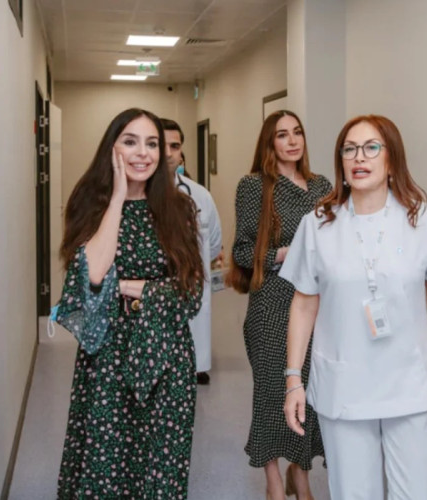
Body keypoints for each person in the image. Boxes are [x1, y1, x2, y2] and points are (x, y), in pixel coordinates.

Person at [281, 114, 427, 500]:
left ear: (392, 158)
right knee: (354, 492)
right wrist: (293, 380)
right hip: (345, 384)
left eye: (371, 147)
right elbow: (303, 306)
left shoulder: (424, 219)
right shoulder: (317, 224)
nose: (359, 157)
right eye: (349, 149)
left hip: (412, 382)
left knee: (417, 492)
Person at [53, 108, 205, 498]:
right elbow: (91, 277)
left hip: (167, 356)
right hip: (108, 356)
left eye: (152, 144)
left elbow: (190, 293)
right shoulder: (91, 205)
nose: (143, 153)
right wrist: (118, 199)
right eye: (130, 141)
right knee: (106, 460)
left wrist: (126, 287)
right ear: (112, 148)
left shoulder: (179, 209)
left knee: (160, 464)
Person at [229, 110, 331, 500]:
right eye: (282, 135)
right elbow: (242, 251)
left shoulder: (321, 185)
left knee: (309, 392)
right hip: (272, 304)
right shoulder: (254, 186)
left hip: (316, 303)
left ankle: (299, 473)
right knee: (274, 394)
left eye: (297, 132)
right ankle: (272, 479)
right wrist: (287, 253)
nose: (292, 141)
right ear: (269, 143)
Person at [161, 118, 223, 385]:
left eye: (175, 146)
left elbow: (214, 244)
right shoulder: (131, 194)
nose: (168, 153)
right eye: (160, 145)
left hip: (189, 291)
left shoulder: (200, 196)